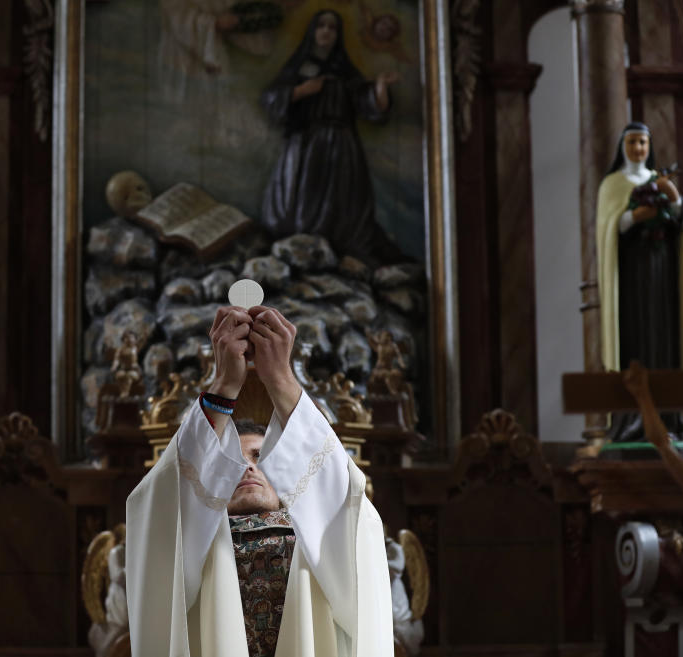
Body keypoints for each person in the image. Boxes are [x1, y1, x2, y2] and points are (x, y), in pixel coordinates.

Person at [126, 304, 394, 656]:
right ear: (213, 480)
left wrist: (280, 378)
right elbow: (158, 508)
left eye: (258, 457)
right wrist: (223, 386)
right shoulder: (193, 543)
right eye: (231, 461)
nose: (246, 468)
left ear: (290, 476)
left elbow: (345, 504)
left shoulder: (318, 540)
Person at [260, 9, 404, 266]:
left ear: (338, 35)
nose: (326, 31)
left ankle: (336, 253)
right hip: (305, 142)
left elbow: (368, 104)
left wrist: (380, 86)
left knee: (340, 202)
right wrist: (302, 91)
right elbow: (272, 98)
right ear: (313, 31)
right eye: (321, 26)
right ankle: (300, 249)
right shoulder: (299, 66)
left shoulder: (344, 70)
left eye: (332, 27)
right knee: (301, 196)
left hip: (340, 146)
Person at [595, 122, 683, 443]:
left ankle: (667, 419)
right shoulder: (611, 185)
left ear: (649, 146)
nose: (638, 149)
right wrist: (632, 217)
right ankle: (631, 422)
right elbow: (608, 228)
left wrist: (675, 201)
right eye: (632, 142)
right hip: (630, 278)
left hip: (661, 274)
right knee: (635, 340)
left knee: (662, 338)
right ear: (622, 147)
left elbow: (678, 223)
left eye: (643, 143)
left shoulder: (658, 181)